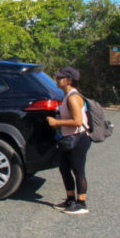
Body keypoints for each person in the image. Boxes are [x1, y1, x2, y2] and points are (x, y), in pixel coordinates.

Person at [47, 66, 91, 215]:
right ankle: (70, 199)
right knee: (64, 169)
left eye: (60, 78)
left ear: (69, 80)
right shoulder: (66, 96)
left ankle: (81, 203)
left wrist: (56, 123)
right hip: (69, 138)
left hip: (79, 138)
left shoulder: (73, 97)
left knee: (78, 170)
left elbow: (77, 121)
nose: (57, 80)